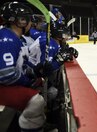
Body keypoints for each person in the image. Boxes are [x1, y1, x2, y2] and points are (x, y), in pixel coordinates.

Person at [0, 2, 46, 131]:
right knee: (36, 101)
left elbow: (22, 66)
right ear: (21, 21)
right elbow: (6, 74)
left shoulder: (14, 38)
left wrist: (35, 72)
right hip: (2, 86)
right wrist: (27, 81)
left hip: (4, 85)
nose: (31, 23)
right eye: (29, 19)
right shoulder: (6, 38)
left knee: (40, 86)